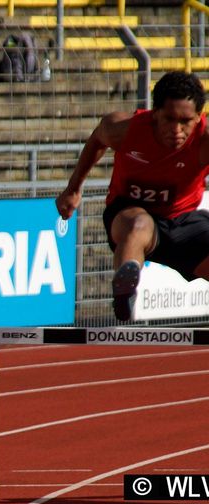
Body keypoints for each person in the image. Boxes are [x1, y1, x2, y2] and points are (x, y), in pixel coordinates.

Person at [55, 70, 209, 322]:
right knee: (139, 224)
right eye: (169, 119)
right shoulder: (126, 130)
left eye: (186, 121)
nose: (177, 130)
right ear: (155, 113)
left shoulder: (205, 141)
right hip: (129, 213)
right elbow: (97, 139)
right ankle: (125, 289)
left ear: (199, 117)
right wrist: (73, 189)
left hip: (183, 222)